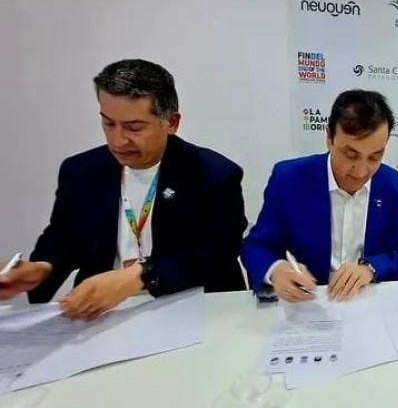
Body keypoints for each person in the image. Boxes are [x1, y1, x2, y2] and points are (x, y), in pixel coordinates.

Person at [0, 59, 247, 318]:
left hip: (190, 310)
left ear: (171, 122)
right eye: (108, 124)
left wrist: (141, 276)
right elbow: (63, 236)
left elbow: (217, 253)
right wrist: (42, 268)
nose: (118, 140)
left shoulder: (214, 174)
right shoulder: (81, 171)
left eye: (134, 128)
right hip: (103, 313)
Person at [242, 89, 398, 302]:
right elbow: (258, 245)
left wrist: (371, 268)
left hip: (369, 302)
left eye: (375, 157)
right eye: (351, 155)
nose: (361, 171)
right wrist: (276, 269)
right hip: (309, 302)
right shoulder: (289, 179)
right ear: (329, 138)